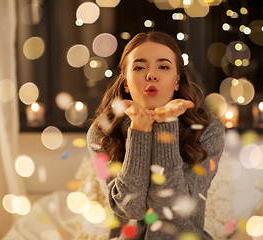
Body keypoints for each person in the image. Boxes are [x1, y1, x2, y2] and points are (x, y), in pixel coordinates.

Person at [86, 31, 225, 240]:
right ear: (125, 82)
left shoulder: (208, 130)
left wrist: (165, 126)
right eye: (140, 67)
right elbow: (130, 208)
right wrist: (139, 130)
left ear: (177, 81)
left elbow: (175, 210)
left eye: (163, 66)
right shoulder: (103, 132)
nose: (151, 75)